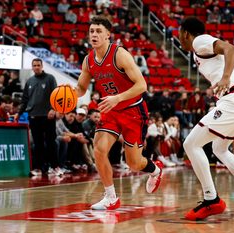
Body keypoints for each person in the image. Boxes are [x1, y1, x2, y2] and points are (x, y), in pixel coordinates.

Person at [178, 17, 234, 220]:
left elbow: (231, 49)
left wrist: (225, 77)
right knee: (219, 149)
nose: (179, 39)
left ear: (185, 33)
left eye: (179, 34)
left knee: (191, 144)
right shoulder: (198, 51)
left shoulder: (199, 41)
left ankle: (212, 200)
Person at [73, 16, 163, 210]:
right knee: (99, 149)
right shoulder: (88, 60)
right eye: (92, 31)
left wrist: (117, 98)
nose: (94, 34)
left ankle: (155, 170)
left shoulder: (119, 54)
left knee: (134, 163)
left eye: (98, 31)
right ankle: (111, 197)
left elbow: (141, 85)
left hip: (133, 111)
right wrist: (70, 93)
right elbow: (81, 87)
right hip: (110, 111)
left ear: (107, 35)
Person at [16, 58, 58, 176]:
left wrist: (53, 109)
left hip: (48, 116)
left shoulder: (50, 78)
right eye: (34, 65)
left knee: (51, 142)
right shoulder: (29, 81)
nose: (36, 67)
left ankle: (55, 167)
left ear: (42, 66)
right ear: (32, 67)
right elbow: (25, 100)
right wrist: (18, 113)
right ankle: (39, 168)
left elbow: (56, 96)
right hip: (34, 115)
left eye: (38, 65)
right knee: (38, 144)